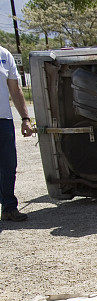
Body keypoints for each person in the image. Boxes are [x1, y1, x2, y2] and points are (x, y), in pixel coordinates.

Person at [1, 45, 35, 222]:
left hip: (4, 120)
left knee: (8, 166)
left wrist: (25, 118)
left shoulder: (4, 54)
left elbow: (15, 89)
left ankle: (8, 208)